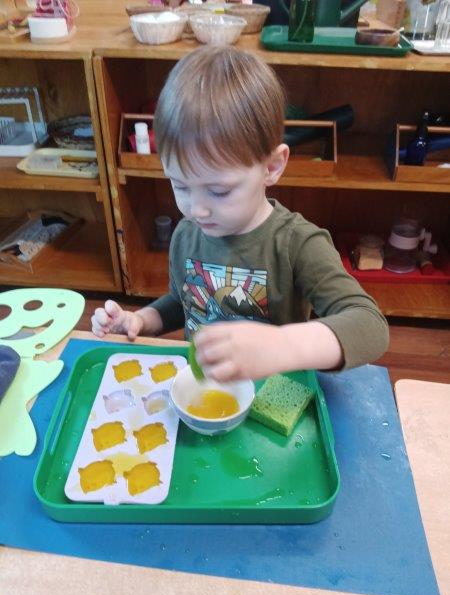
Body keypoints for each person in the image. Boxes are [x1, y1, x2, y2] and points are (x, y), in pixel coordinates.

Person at [92, 45, 389, 382]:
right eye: (180, 185)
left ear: (272, 166)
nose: (196, 209)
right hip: (205, 390)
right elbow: (182, 303)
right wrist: (140, 320)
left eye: (219, 191)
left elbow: (370, 325)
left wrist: (282, 346)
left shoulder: (298, 244)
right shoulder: (187, 234)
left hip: (273, 395)